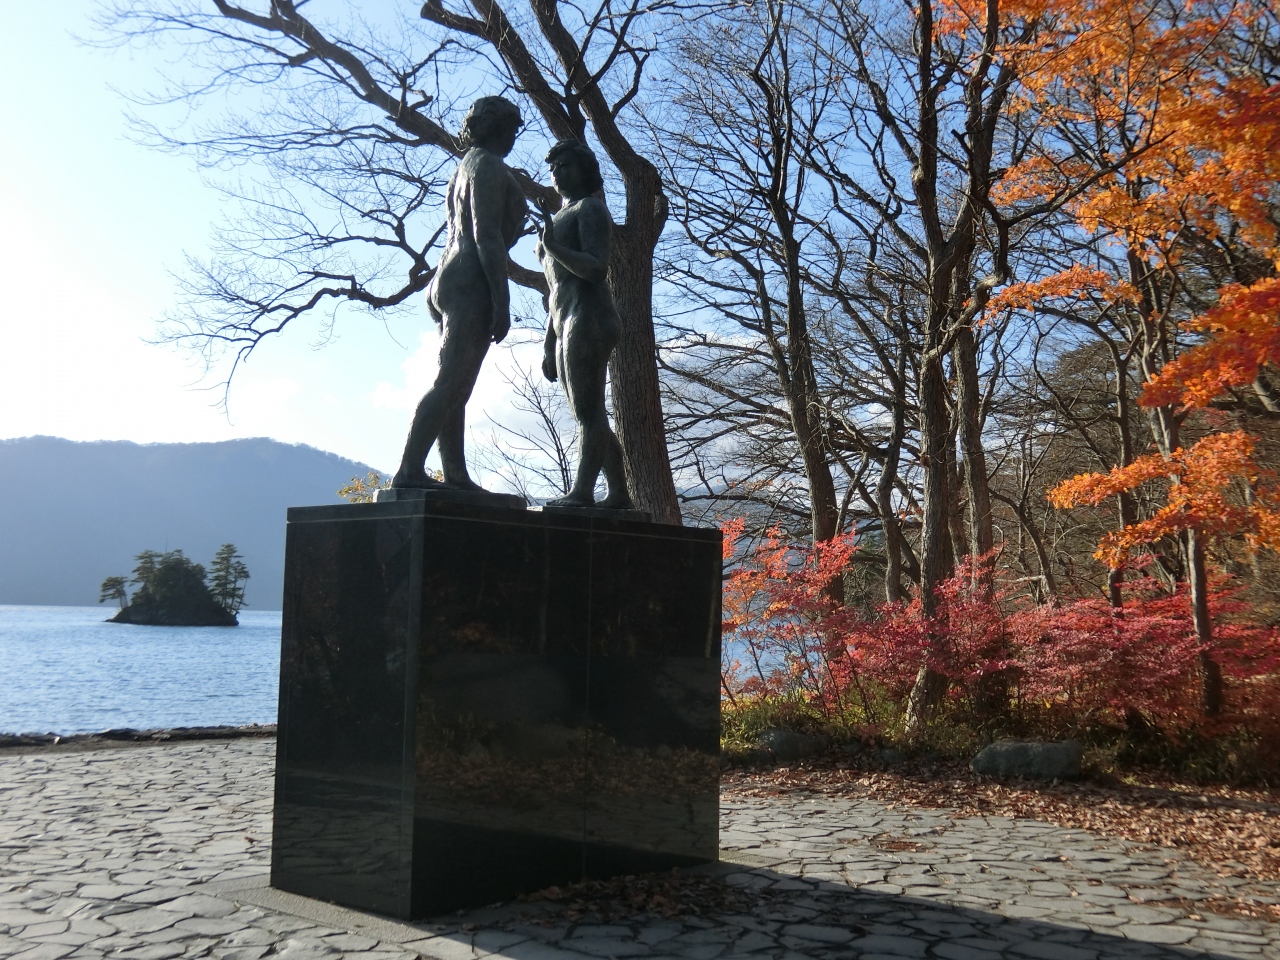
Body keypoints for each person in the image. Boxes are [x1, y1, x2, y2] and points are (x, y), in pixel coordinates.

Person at [391, 96, 527, 491]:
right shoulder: (488, 165)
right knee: (451, 383)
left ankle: (455, 474)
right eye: (511, 129)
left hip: (447, 275)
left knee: (455, 385)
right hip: (471, 279)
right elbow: (486, 235)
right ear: (498, 128)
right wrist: (502, 300)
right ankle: (409, 471)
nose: (513, 137)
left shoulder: (465, 166)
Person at [535, 139, 635, 510]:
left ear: (584, 170)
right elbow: (555, 288)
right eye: (553, 168)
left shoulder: (590, 208)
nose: (556, 173)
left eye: (565, 165)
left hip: (590, 315)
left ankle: (582, 492)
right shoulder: (559, 216)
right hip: (565, 318)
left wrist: (553, 246)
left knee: (588, 412)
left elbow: (596, 268)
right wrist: (549, 341)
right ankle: (619, 494)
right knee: (586, 411)